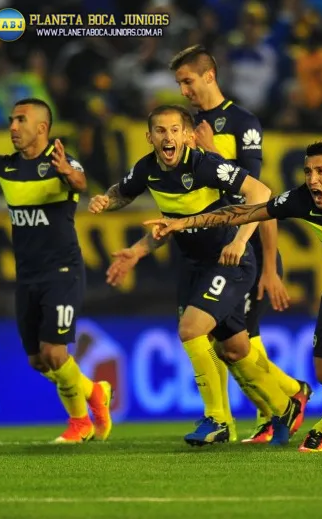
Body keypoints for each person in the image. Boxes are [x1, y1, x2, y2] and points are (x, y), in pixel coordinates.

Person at [146, 141, 322, 452]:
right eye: (308, 171)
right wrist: (184, 222)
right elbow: (244, 213)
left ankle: (321, 431)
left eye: (321, 171)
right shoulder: (303, 199)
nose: (312, 179)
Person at [88, 104, 305, 446]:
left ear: (187, 135)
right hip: (193, 266)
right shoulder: (148, 170)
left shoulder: (205, 165)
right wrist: (108, 207)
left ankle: (217, 419)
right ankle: (286, 405)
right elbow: (127, 198)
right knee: (233, 349)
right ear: (149, 137)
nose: (168, 137)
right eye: (160, 131)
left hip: (229, 262)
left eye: (175, 130)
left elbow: (261, 193)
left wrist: (239, 239)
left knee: (191, 330)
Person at [169, 44, 309, 444]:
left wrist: (269, 267)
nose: (184, 91)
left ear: (209, 76)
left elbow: (257, 199)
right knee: (232, 344)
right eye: (179, 84)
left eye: (188, 81)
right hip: (213, 249)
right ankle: (283, 402)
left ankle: (278, 406)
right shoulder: (185, 126)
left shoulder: (241, 123)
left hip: (244, 248)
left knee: (240, 345)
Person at [0, 98, 111, 443]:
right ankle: (94, 392)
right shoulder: (2, 166)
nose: (12, 127)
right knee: (39, 361)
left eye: (21, 120)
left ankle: (80, 422)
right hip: (27, 276)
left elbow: (80, 182)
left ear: (41, 127)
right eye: (11, 120)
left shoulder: (60, 162)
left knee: (56, 352)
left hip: (62, 270)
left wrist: (70, 175)